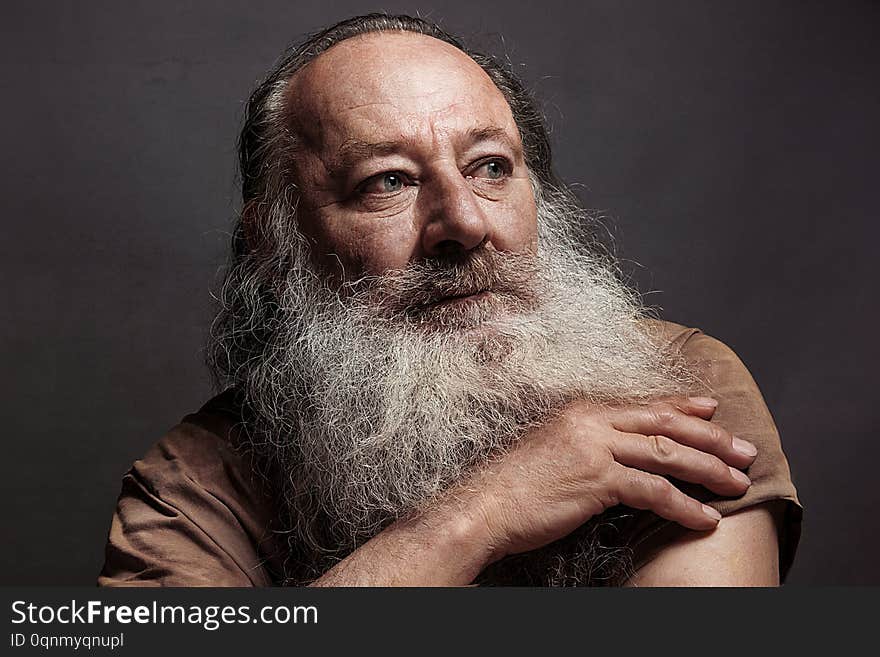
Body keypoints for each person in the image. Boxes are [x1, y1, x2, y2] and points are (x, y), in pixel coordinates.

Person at [98, 13, 801, 587]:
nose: (464, 224)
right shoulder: (190, 489)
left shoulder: (675, 382)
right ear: (273, 243)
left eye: (490, 167)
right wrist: (475, 515)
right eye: (388, 181)